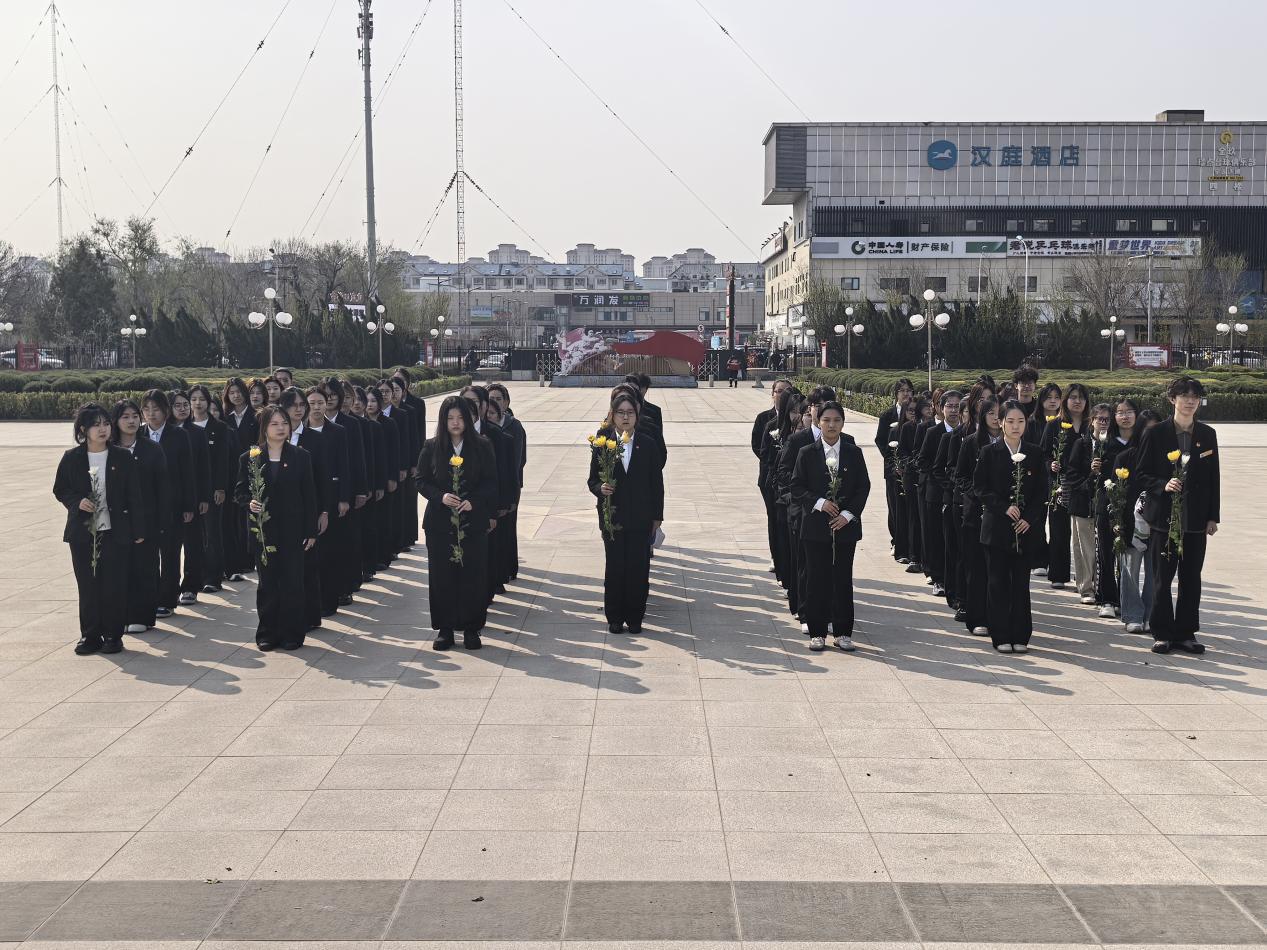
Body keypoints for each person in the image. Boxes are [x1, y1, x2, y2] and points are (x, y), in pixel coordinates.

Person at [54, 403, 147, 655]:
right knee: (88, 585)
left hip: (115, 532)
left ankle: (113, 636)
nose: (103, 429)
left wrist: (138, 531)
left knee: (114, 585)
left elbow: (134, 496)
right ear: (84, 429)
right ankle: (90, 636)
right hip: (83, 534)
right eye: (96, 424)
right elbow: (60, 489)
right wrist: (77, 502)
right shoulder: (72, 458)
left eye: (105, 423)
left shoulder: (122, 457)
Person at [1137, 376, 1220, 655]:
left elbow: (1214, 479)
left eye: (1195, 396)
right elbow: (1141, 474)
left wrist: (1213, 516)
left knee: (1191, 578)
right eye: (1184, 395)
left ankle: (1186, 633)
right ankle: (1162, 632)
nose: (1189, 401)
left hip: (1195, 520)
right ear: (1172, 399)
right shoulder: (1156, 433)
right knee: (1162, 579)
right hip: (1164, 520)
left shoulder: (1207, 434)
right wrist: (1163, 484)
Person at [234, 405, 318, 651]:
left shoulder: (301, 456)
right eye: (275, 424)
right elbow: (239, 491)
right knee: (268, 584)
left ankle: (293, 633)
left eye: (284, 423)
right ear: (264, 428)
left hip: (293, 531)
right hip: (264, 531)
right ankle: (268, 632)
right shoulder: (250, 456)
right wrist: (249, 503)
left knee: (293, 583)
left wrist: (310, 531)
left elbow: (309, 495)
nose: (281, 428)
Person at [418, 395, 498, 650]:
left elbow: (491, 481)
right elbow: (420, 479)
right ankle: (445, 628)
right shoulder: (432, 447)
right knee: (442, 576)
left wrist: (474, 500)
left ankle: (472, 628)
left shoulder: (483, 446)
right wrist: (440, 496)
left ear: (470, 419)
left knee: (473, 575)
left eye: (460, 418)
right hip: (440, 523)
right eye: (450, 418)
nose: (455, 423)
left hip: (472, 522)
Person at [791, 400, 870, 652]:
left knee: (842, 579)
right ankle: (817, 631)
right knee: (816, 579)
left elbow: (863, 487)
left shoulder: (853, 452)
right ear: (818, 422)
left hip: (845, 527)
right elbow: (796, 487)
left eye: (836, 420)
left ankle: (843, 631)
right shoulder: (807, 453)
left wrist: (847, 514)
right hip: (815, 527)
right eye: (826, 420)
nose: (831, 425)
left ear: (843, 423)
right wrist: (820, 502)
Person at [974, 400, 1048, 653]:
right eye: (1011, 421)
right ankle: (1001, 634)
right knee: (997, 583)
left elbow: (1041, 493)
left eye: (1021, 421)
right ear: (1001, 423)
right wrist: (1003, 507)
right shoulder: (989, 452)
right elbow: (980, 488)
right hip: (996, 528)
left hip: (1024, 530)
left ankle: (1021, 634)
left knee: (1020, 584)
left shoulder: (1035, 453)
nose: (1016, 426)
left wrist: (1029, 518)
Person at [588, 391, 665, 635]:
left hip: (641, 517)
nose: (625, 417)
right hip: (613, 516)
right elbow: (592, 479)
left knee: (638, 568)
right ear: (612, 415)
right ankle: (615, 617)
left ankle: (635, 618)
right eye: (620, 412)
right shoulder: (603, 444)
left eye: (630, 412)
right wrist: (600, 488)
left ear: (637, 415)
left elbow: (656, 483)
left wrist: (657, 516)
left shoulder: (647, 443)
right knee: (615, 567)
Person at [112, 399, 168, 634]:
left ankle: (142, 615)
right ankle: (119, 614)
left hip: (147, 518)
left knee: (145, 567)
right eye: (125, 416)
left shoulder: (151, 449)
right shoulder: (109, 448)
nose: (132, 420)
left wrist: (163, 521)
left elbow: (163, 487)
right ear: (115, 421)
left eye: (135, 415)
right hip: (116, 520)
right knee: (119, 569)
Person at [141, 389, 195, 619]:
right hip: (146, 507)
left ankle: (168, 598)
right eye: (147, 409)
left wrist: (188, 506)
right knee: (149, 555)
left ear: (166, 411)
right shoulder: (138, 434)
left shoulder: (178, 435)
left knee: (171, 553)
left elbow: (188, 472)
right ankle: (151, 597)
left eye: (156, 409)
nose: (151, 414)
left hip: (173, 505)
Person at [281, 386, 329, 632]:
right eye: (293, 405)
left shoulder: (316, 438)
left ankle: (310, 615)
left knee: (308, 565)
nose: (298, 410)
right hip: (280, 513)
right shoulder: (272, 437)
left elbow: (322, 478)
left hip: (308, 509)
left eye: (302, 405)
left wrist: (323, 511)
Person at [955, 397, 1001, 636]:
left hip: (1002, 515)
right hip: (975, 512)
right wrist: (977, 493)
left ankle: (998, 616)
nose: (995, 417)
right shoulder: (971, 442)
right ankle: (977, 617)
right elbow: (960, 475)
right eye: (990, 413)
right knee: (977, 568)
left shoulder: (1013, 444)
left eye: (998, 413)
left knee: (998, 571)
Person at [304, 386, 351, 617]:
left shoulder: (338, 431)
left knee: (332, 550)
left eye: (320, 402)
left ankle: (332, 597)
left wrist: (344, 497)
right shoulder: (299, 433)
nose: (316, 407)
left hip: (332, 496)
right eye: (311, 403)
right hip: (308, 496)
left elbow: (345, 465)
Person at [1114, 409, 1160, 635]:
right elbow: (1114, 494)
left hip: (1159, 523)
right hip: (1130, 524)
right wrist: (1117, 522)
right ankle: (1132, 615)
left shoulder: (1167, 460)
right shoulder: (1125, 458)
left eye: (1156, 430)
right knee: (1130, 571)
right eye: (1147, 430)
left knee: (1155, 573)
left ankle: (1151, 614)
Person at [1041, 383, 1089, 592]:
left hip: (1085, 485)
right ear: (1065, 401)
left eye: (1081, 397)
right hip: (1060, 485)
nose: (1077, 401)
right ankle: (1058, 574)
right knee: (1059, 530)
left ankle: (1087, 577)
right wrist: (1050, 464)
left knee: (1084, 535)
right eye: (1073, 397)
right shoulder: (1054, 425)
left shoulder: (1091, 425)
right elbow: (1042, 454)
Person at [187, 384, 232, 593]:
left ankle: (213, 577)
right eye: (194, 399)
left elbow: (223, 461)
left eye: (201, 399)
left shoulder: (220, 427)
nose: (197, 403)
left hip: (213, 489)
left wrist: (221, 488)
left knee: (212, 534)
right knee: (193, 537)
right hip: (190, 489)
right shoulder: (184, 427)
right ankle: (195, 576)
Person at [169, 390, 211, 606]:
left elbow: (204, 467)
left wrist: (203, 497)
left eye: (186, 404)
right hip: (168, 499)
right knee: (170, 548)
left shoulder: (196, 432)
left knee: (193, 543)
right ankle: (169, 587)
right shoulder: (164, 432)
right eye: (178, 405)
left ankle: (191, 586)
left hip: (192, 495)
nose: (183, 408)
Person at [488, 383, 527, 581]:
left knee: (507, 527)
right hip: (490, 486)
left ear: (506, 402)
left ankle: (509, 567)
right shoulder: (484, 425)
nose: (493, 403)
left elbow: (520, 458)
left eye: (498, 399)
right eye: (490, 399)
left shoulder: (514, 425)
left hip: (511, 482)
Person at [754, 378, 794, 574]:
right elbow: (757, 446)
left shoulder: (796, 418)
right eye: (779, 391)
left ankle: (787, 558)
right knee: (774, 518)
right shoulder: (764, 419)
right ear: (773, 394)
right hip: (769, 478)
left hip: (790, 480)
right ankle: (775, 555)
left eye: (787, 391)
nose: (782, 394)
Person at [874, 377, 914, 562]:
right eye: (902, 390)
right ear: (896, 394)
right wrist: (892, 461)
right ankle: (896, 540)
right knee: (894, 506)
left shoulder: (914, 413)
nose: (906, 394)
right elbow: (880, 440)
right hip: (893, 469)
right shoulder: (887, 415)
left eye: (908, 390)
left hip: (909, 468)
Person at [222, 378, 257, 581]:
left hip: (251, 467)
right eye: (231, 392)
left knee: (247, 516)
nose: (236, 395)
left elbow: (258, 442)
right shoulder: (226, 417)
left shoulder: (255, 416)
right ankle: (234, 559)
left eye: (239, 391)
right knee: (231, 519)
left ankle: (247, 558)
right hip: (229, 471)